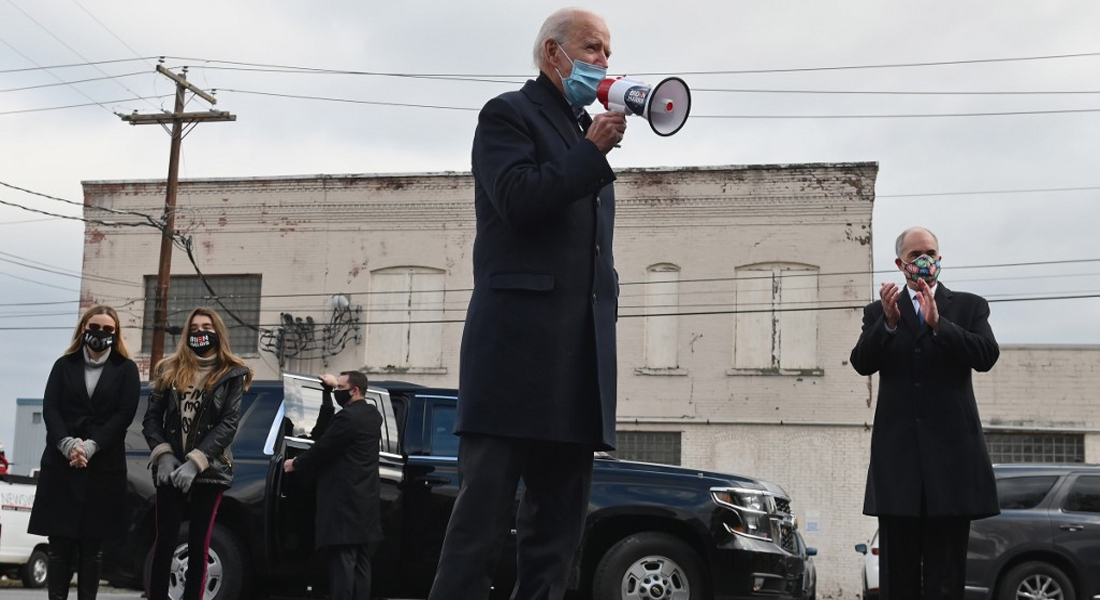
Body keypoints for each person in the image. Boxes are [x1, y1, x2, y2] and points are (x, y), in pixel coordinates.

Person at [427, 8, 625, 600]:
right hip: (513, 358)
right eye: (593, 48)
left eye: (609, 53)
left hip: (575, 362)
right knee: (481, 524)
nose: (605, 63)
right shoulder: (508, 114)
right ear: (552, 54)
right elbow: (517, 197)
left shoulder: (582, 131)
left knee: (556, 539)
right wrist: (590, 153)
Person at [850, 226, 1000, 600]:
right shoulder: (881, 311)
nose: (924, 260)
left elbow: (986, 356)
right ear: (901, 264)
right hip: (899, 468)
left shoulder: (968, 307)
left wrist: (939, 325)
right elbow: (861, 363)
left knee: (945, 581)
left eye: (930, 252)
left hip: (952, 469)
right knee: (898, 580)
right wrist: (888, 324)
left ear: (940, 259)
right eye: (916, 254)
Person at [28, 305, 140, 600]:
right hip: (61, 465)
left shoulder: (126, 369)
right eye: (94, 327)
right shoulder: (64, 365)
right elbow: (51, 408)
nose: (100, 334)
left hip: (103, 466)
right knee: (59, 548)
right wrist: (67, 444)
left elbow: (124, 414)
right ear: (83, 329)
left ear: (116, 334)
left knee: (92, 550)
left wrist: (90, 447)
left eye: (107, 329)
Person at [142, 307, 252, 600]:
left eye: (207, 327)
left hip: (209, 468)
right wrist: (163, 455)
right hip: (170, 467)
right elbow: (151, 419)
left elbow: (229, 424)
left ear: (217, 332)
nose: (200, 333)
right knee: (164, 542)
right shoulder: (169, 369)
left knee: (199, 543)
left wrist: (196, 462)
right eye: (194, 328)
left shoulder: (232, 373)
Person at [283, 371, 382, 600]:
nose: (338, 391)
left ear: (354, 390)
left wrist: (296, 463)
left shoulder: (348, 418)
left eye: (340, 387)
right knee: (361, 562)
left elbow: (323, 446)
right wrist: (328, 391)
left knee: (343, 562)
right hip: (365, 501)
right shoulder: (372, 415)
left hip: (344, 503)